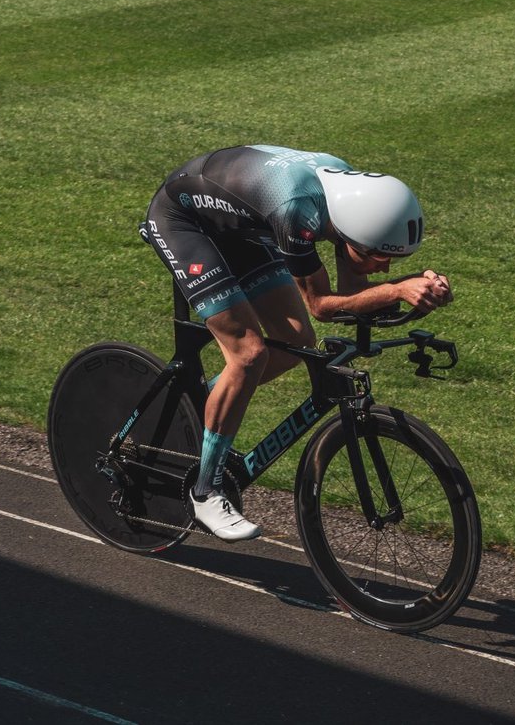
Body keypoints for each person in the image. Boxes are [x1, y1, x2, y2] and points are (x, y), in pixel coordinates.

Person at [144, 145, 453, 541]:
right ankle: (205, 492)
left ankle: (202, 408)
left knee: (295, 340)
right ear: (350, 236)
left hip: (242, 225)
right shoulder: (297, 212)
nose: (386, 267)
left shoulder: (350, 205)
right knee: (249, 353)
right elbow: (324, 305)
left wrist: (417, 291)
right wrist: (397, 289)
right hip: (184, 221)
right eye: (379, 256)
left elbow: (354, 293)